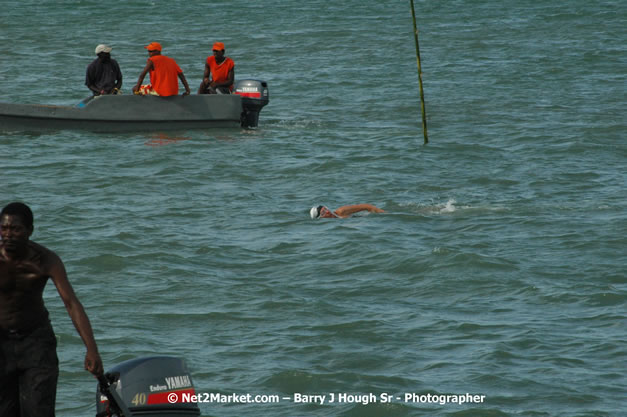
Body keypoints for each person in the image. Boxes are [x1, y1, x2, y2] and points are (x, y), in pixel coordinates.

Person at [0, 202, 103, 417]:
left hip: (36, 343)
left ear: (30, 231)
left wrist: (91, 348)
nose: (8, 234)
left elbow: (71, 302)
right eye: (4, 228)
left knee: (39, 411)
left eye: (15, 229)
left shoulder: (46, 260)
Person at [310, 204, 385, 219]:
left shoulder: (342, 211)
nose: (327, 212)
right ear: (321, 217)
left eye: (325, 209)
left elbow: (366, 206)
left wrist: (383, 214)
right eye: (323, 213)